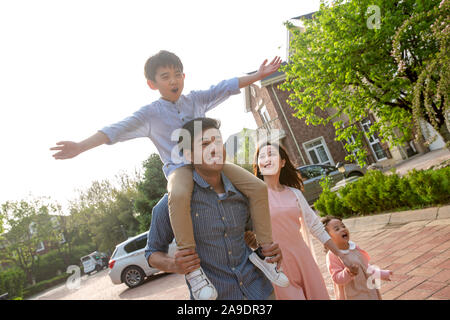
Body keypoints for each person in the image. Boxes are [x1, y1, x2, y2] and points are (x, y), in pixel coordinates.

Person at [49, 50, 285, 299]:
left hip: (211, 162)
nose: (173, 81)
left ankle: (266, 254)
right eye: (165, 77)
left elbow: (225, 87)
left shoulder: (196, 99)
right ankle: (195, 273)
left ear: (184, 76)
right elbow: (115, 130)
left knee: (258, 187)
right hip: (180, 169)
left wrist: (258, 75)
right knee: (180, 193)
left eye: (177, 75)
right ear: (153, 83)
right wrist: (80, 146)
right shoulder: (150, 114)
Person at [145, 117, 288, 300]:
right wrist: (174, 265)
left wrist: (268, 252)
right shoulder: (171, 204)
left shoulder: (244, 193)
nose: (214, 149)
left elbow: (249, 238)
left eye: (218, 142)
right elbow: (151, 253)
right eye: (204, 144)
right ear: (189, 156)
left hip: (260, 292)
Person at [250, 142, 360, 300]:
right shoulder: (254, 196)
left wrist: (342, 255)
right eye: (262, 156)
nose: (267, 158)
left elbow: (316, 226)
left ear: (282, 162)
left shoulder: (294, 193)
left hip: (303, 259)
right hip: (276, 265)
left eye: (271, 154)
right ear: (258, 165)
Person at [322, 216, 393, 300]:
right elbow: (336, 278)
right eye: (337, 229)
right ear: (328, 238)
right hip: (352, 294)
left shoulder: (354, 247)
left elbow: (365, 266)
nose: (343, 229)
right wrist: (348, 272)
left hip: (367, 288)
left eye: (343, 226)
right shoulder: (332, 255)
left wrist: (380, 273)